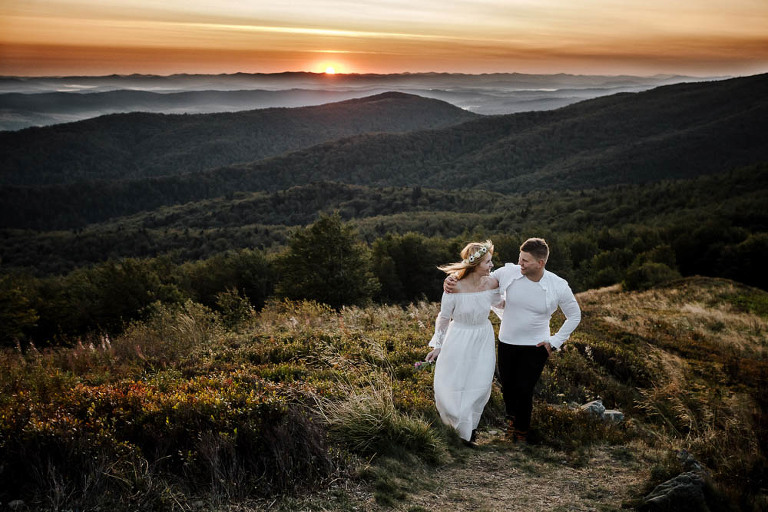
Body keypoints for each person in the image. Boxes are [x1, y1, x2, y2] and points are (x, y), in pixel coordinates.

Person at [445, 237, 581, 443]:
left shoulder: (558, 285)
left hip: (536, 346)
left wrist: (555, 341)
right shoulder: (509, 272)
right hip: (507, 342)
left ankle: (522, 432)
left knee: (524, 389)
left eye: (525, 261)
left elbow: (575, 315)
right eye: (520, 258)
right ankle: (512, 423)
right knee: (508, 387)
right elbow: (480, 282)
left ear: (540, 263)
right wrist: (454, 279)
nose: (520, 264)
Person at [425, 240, 504, 446]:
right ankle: (457, 431)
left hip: (483, 337)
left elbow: (500, 303)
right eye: (487, 262)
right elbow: (443, 317)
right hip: (459, 336)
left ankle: (470, 429)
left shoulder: (492, 283)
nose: (491, 266)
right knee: (453, 383)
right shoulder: (454, 286)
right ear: (475, 264)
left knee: (480, 383)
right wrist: (438, 345)